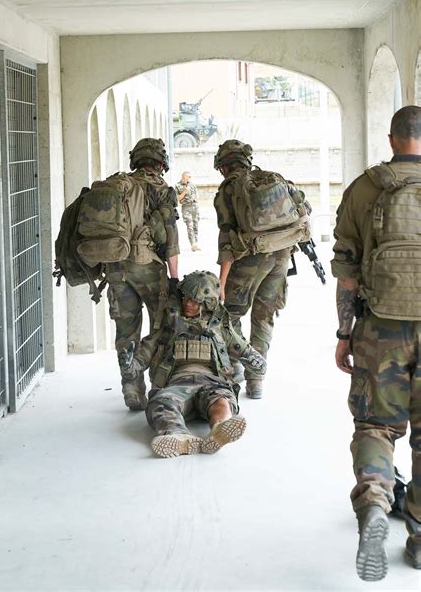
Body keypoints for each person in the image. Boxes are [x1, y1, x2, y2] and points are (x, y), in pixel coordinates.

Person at [331, 105, 421, 580]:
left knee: (376, 427)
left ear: (392, 140)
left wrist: (345, 334)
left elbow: (346, 272)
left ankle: (373, 505)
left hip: (380, 330)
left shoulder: (366, 188)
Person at [118, 270, 266, 457]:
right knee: (161, 404)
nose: (188, 303)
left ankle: (221, 429)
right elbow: (145, 353)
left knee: (222, 402)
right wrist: (129, 366)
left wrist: (256, 362)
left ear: (208, 303)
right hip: (177, 384)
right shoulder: (170, 323)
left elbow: (248, 354)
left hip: (214, 382)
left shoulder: (221, 326)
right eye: (186, 298)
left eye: (195, 301)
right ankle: (178, 436)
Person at [213, 140, 311, 399]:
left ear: (223, 166)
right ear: (247, 160)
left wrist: (221, 283)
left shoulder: (229, 189)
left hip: (249, 259)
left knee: (229, 317)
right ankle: (256, 380)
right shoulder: (272, 180)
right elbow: (303, 208)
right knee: (263, 317)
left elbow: (227, 239)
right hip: (281, 256)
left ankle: (233, 374)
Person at [104, 138, 180, 411]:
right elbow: (171, 237)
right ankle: (159, 386)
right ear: (161, 163)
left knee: (126, 330)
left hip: (116, 267)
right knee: (160, 328)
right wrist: (174, 278)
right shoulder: (161, 189)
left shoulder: (117, 186)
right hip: (149, 268)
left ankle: (132, 389)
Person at [175, 171, 201, 250]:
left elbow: (197, 195)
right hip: (186, 207)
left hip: (195, 206)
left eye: (190, 177)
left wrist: (197, 203)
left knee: (196, 225)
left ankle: (196, 243)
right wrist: (184, 192)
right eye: (188, 176)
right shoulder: (177, 185)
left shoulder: (192, 185)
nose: (190, 178)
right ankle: (192, 244)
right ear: (183, 177)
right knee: (189, 226)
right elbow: (177, 199)